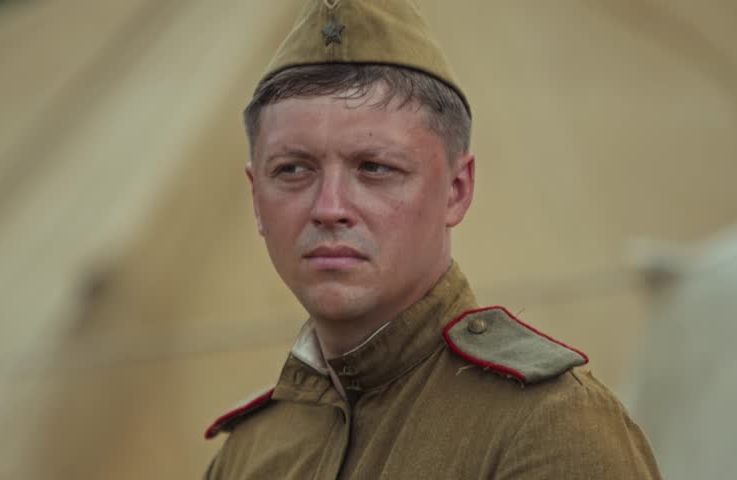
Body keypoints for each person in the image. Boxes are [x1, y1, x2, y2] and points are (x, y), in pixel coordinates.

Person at [205, 1, 661, 478]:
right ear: (256, 198)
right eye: (293, 169)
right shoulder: (250, 453)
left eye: (375, 167)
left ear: (456, 191)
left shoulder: (550, 427)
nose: (329, 207)